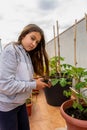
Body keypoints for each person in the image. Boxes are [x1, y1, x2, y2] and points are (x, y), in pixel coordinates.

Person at [0, 24, 51, 130]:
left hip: (20, 103)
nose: (34, 44)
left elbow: (21, 78)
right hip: (8, 106)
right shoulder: (11, 51)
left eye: (37, 42)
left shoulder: (26, 54)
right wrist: (34, 84)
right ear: (23, 35)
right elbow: (5, 85)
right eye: (32, 38)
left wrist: (36, 81)